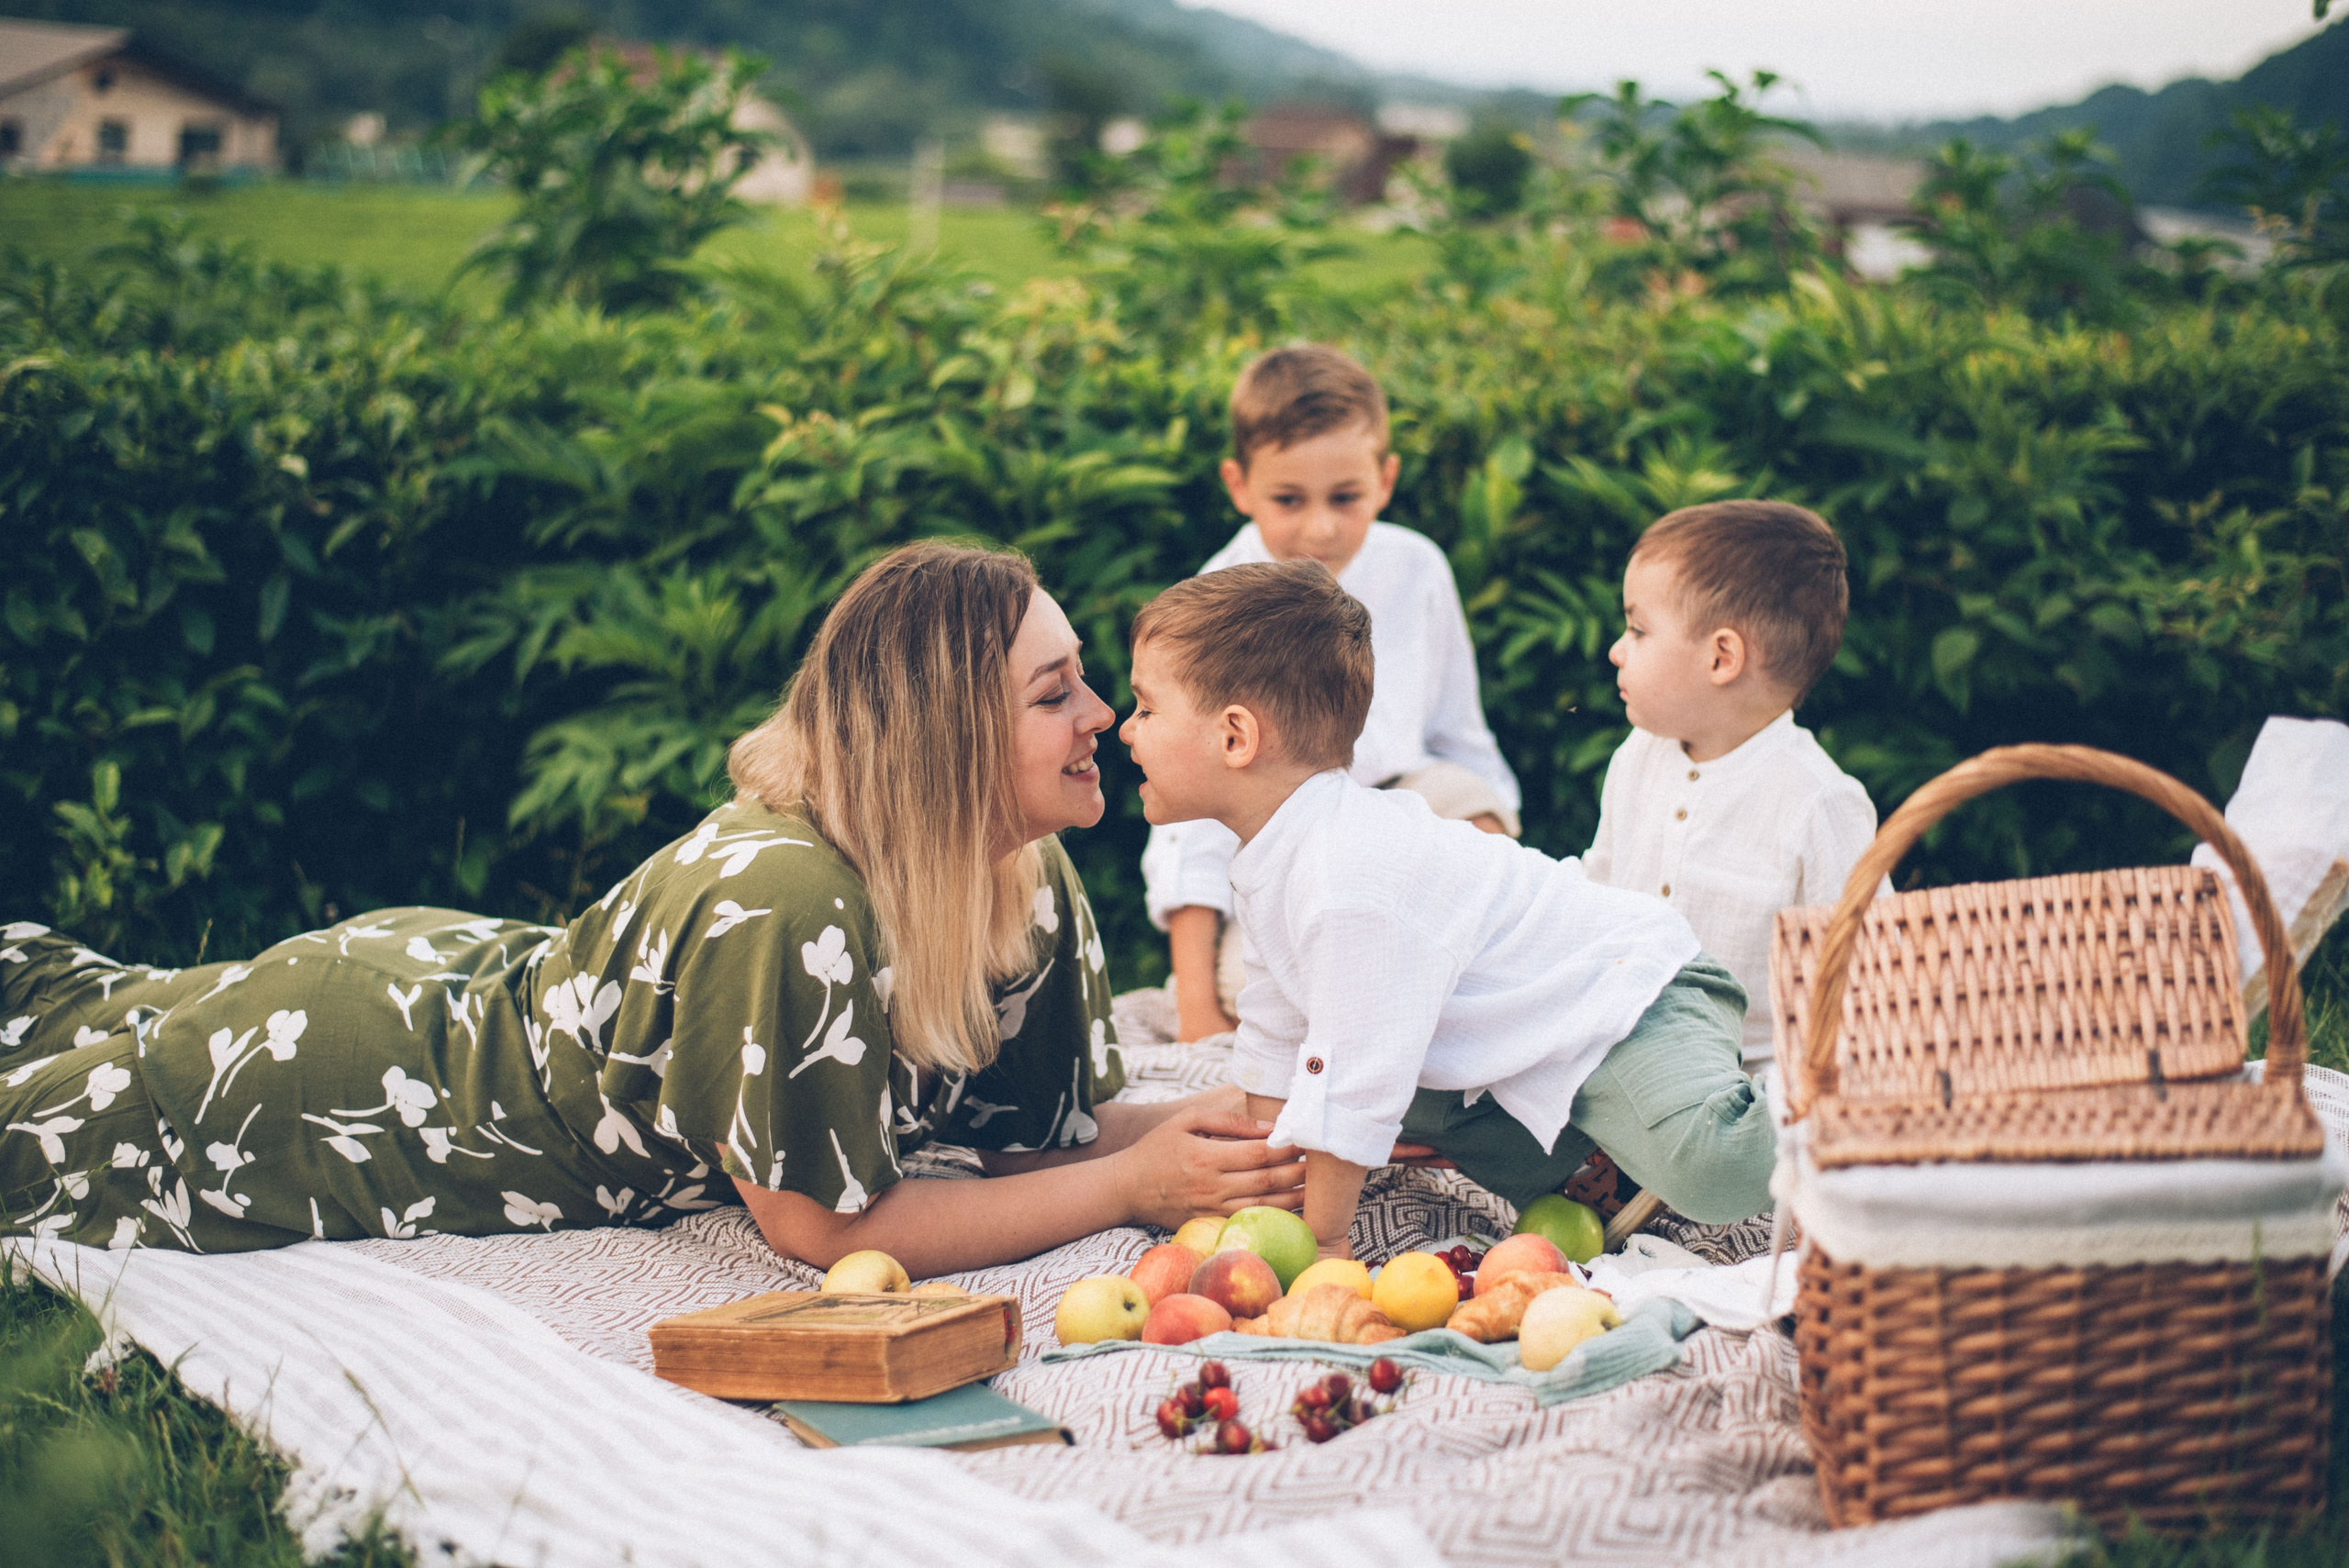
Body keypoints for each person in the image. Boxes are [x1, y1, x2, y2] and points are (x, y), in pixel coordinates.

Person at [0, 543, 1306, 1272]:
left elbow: (1014, 1140)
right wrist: (1132, 1182)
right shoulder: (786, 904)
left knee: (68, 997)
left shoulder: (1023, 876)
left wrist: (1181, 1133)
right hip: (353, 1085)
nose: (1101, 721)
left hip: (459, 972)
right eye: (1056, 691)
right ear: (946, 737)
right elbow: (820, 1227)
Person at [1119, 561, 1773, 1260]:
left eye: (1146, 708)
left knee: (1719, 1171)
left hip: (1634, 998)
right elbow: (1280, 1037)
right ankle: (1597, 1167)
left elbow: (1354, 1078)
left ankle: (1846, 1110)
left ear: (1235, 737)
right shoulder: (1276, 852)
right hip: (1538, 1034)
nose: (1126, 730)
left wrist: (1322, 1243)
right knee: (1392, 1090)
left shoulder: (1347, 874)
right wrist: (1269, 1182)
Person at [1141, 344, 1521, 1043]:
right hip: (1275, 854)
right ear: (1239, 484)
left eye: (1345, 498)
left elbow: (1458, 737)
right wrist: (1196, 1006)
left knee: (1471, 810)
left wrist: (1495, 842)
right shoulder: (1214, 608)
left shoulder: (1417, 568)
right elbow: (1187, 820)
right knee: (1259, 984)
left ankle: (1486, 1017)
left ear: (1385, 479)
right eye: (1288, 500)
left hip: (1396, 815)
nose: (1319, 528)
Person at [1583, 500, 1880, 1071]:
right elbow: (1598, 893)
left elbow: (1864, 973)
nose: (1617, 649)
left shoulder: (1818, 802)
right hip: (1622, 1051)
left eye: (1638, 630)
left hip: (1749, 1083)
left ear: (1723, 657)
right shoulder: (1640, 756)